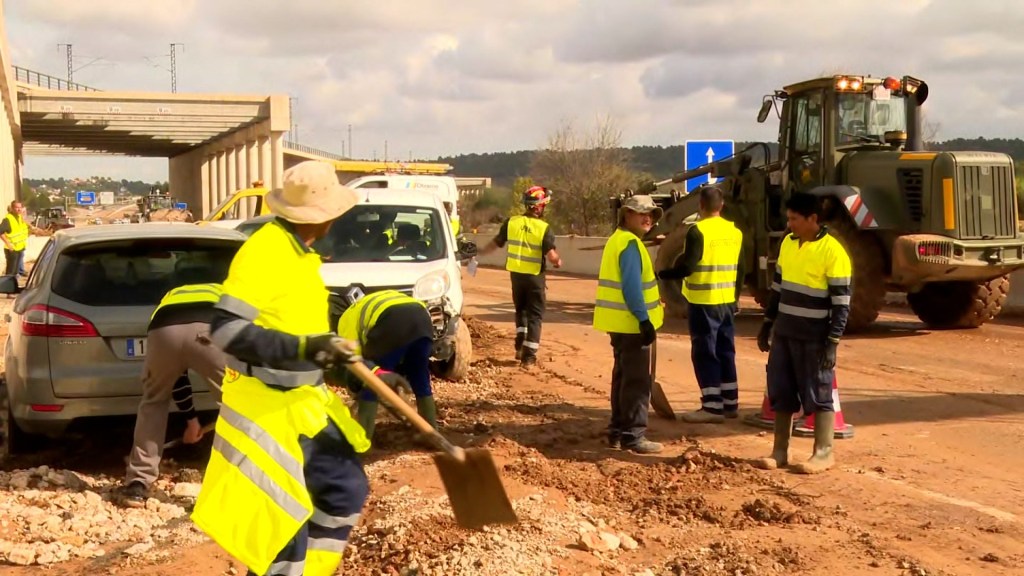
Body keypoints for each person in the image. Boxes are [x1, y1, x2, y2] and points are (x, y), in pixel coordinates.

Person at [191, 160, 408, 576]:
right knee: (281, 520)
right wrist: (307, 348)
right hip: (265, 407)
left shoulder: (302, 255)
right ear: (326, 214)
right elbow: (226, 330)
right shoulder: (266, 251)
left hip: (304, 401)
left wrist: (370, 376)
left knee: (344, 488)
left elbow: (317, 343)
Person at [753, 192, 852, 474]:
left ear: (813, 219)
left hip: (815, 337)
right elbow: (778, 288)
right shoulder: (788, 243)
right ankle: (780, 451)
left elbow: (841, 304)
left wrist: (832, 342)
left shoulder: (834, 253)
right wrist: (768, 322)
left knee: (819, 392)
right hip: (785, 333)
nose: (790, 224)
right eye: (788, 218)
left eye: (795, 219)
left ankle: (823, 452)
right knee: (781, 389)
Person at [112, 282, 229, 508]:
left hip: (164, 329)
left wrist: (192, 421)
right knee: (238, 406)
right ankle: (234, 485)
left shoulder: (169, 297)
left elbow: (177, 375)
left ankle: (137, 484)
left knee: (154, 402)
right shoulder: (226, 290)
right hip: (211, 324)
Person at [656, 184, 744, 424]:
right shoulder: (735, 232)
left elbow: (688, 267)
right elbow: (741, 270)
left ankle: (711, 406)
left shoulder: (698, 232)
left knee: (705, 352)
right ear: (722, 206)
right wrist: (735, 298)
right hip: (726, 302)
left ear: (700, 206)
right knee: (726, 350)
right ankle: (730, 403)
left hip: (703, 302)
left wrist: (663, 275)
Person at [593, 195, 665, 454]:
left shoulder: (617, 240)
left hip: (620, 325)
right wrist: (644, 320)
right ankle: (634, 435)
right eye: (641, 213)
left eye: (651, 214)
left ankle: (617, 431)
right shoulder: (631, 245)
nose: (648, 218)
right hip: (632, 324)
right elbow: (632, 288)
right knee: (636, 382)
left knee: (622, 378)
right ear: (627, 215)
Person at [337, 288, 436, 440]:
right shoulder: (364, 305)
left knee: (372, 383)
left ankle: (363, 440)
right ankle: (431, 433)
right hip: (422, 319)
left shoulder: (345, 322)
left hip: (392, 320)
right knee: (419, 375)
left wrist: (357, 385)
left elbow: (355, 362)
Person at [480, 185, 562, 366]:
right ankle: (529, 357)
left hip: (516, 276)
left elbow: (495, 244)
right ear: (540, 207)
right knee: (535, 315)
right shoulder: (544, 228)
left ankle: (519, 344)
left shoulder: (512, 222)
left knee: (521, 310)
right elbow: (551, 255)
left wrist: (479, 253)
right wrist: (557, 262)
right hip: (534, 277)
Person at [1, 201, 30, 277]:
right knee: (11, 272)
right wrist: (8, 243)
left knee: (15, 272)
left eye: (20, 207)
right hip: (12, 250)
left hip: (20, 248)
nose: (19, 209)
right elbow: (0, 232)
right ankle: (7, 286)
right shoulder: (8, 219)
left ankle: (13, 286)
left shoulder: (19, 217)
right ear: (12, 208)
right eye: (17, 208)